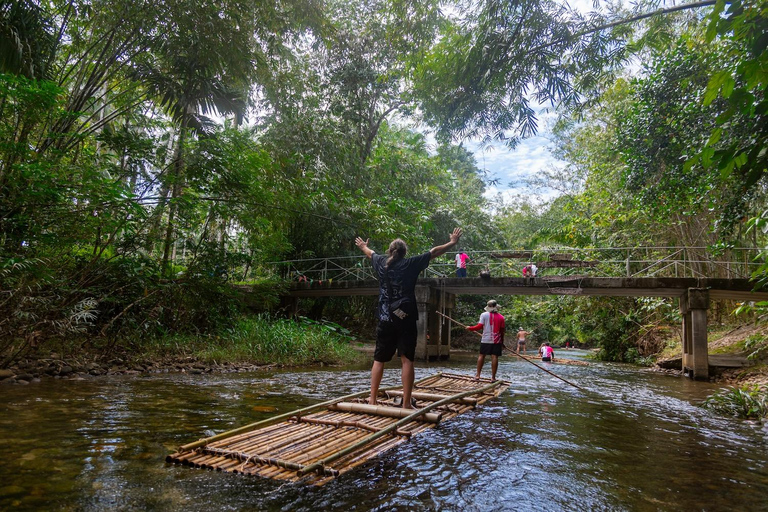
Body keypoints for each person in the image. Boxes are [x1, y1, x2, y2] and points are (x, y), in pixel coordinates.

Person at [355, 228, 463, 410]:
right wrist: (452, 242)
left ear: (390, 251)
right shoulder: (411, 264)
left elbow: (370, 253)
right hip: (405, 318)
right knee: (407, 359)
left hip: (385, 317)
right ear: (404, 253)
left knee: (379, 359)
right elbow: (434, 251)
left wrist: (363, 246)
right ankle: (406, 403)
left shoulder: (381, 263)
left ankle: (372, 401)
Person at [467, 300, 505, 382]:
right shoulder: (501, 317)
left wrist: (470, 328)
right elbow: (502, 332)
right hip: (496, 340)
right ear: (496, 306)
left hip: (485, 339)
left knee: (481, 356)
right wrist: (502, 342)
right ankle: (493, 378)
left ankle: (477, 376)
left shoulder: (484, 315)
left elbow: (479, 326)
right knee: (494, 357)